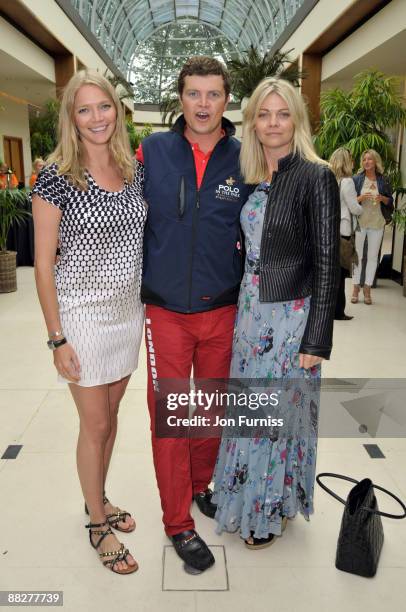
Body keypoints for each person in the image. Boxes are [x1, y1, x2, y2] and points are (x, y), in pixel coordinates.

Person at [212, 77, 340, 548]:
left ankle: (269, 510)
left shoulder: (315, 175)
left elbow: (329, 262)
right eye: (263, 115)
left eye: (281, 114)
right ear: (252, 122)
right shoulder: (250, 173)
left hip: (291, 316)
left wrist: (317, 339)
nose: (272, 123)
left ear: (296, 120)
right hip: (250, 312)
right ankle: (244, 495)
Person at [136, 56, 251, 572]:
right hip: (165, 313)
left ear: (227, 101)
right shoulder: (152, 151)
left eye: (213, 94)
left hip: (222, 309)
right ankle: (177, 522)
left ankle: (203, 486)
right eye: (193, 94)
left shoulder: (244, 159)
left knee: (209, 413)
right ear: (178, 99)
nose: (203, 104)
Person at [32, 70, 146, 575]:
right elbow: (41, 263)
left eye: (104, 107)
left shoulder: (131, 167)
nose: (97, 117)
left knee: (112, 418)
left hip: (126, 314)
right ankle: (97, 524)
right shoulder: (56, 175)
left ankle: (95, 497)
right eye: (85, 109)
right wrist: (57, 338)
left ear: (116, 112)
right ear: (71, 118)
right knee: (95, 423)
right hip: (81, 316)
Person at [351, 149, 393, 305]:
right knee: (358, 256)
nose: (366, 162)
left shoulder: (384, 180)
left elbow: (390, 202)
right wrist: (360, 197)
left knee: (373, 257)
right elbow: (350, 201)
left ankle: (367, 288)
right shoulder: (356, 179)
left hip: (377, 223)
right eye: (364, 160)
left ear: (375, 162)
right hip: (360, 223)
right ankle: (355, 287)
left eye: (369, 159)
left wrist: (382, 198)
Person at [329, 147, 363, 320]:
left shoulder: (329, 179)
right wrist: (361, 204)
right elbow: (354, 208)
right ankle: (338, 312)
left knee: (333, 274)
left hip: (329, 230)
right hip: (343, 231)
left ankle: (331, 310)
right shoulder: (347, 182)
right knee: (341, 275)